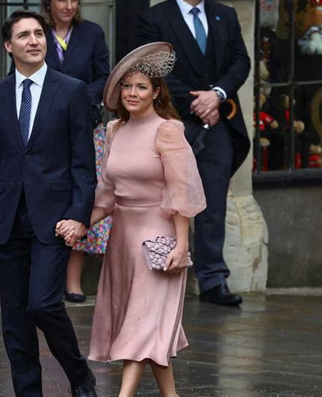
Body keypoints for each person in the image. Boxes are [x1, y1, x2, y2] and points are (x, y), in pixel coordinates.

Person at [0, 10, 98, 397]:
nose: (34, 41)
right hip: (9, 220)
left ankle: (80, 376)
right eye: (24, 35)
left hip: (54, 221)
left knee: (42, 304)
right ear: (9, 46)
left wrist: (79, 216)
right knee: (15, 320)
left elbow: (83, 165)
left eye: (39, 34)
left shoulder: (72, 90)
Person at [71, 41, 206, 397]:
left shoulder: (168, 130)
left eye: (141, 86)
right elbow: (107, 194)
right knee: (146, 325)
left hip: (159, 240)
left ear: (156, 91)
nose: (132, 93)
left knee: (142, 324)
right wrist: (81, 223)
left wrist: (181, 244)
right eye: (126, 86)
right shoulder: (114, 130)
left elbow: (182, 193)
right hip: (122, 240)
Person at [137, 0, 251, 306]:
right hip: (174, 123)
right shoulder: (155, 18)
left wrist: (216, 95)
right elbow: (154, 70)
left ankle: (213, 279)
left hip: (218, 124)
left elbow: (241, 61)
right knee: (168, 202)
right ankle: (161, 271)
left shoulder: (224, 15)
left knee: (213, 202)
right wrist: (198, 104)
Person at [38, 0, 112, 303]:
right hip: (45, 127)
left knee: (83, 196)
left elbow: (104, 78)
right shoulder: (38, 32)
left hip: (85, 125)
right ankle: (47, 279)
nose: (68, 6)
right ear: (48, 3)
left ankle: (73, 281)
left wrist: (77, 95)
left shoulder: (91, 33)